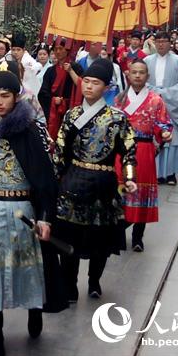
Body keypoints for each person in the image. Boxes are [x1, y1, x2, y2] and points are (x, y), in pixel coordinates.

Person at [0, 64, 65, 356]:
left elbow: (45, 180)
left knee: (26, 271)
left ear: (16, 97)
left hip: (22, 214)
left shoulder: (30, 131)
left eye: (4, 95)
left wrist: (45, 217)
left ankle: (35, 308)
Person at [53, 58, 137, 301]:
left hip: (104, 183)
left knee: (100, 238)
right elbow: (60, 151)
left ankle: (94, 281)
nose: (88, 87)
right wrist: (54, 180)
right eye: (86, 81)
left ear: (106, 87)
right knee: (68, 236)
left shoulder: (117, 118)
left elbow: (129, 151)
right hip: (74, 180)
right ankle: (69, 285)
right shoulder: (71, 116)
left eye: (95, 83)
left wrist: (129, 178)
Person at [115, 60, 173, 252]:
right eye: (134, 72)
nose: (138, 76)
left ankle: (138, 237)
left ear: (147, 76)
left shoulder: (156, 100)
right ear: (128, 75)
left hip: (145, 151)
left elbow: (163, 123)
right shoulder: (120, 100)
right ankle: (118, 234)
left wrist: (164, 132)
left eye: (141, 73)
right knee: (122, 191)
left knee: (141, 191)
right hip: (123, 150)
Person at [145, 32, 178, 186]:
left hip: (172, 107)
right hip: (152, 106)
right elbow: (142, 83)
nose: (161, 44)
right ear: (154, 43)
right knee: (154, 137)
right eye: (158, 41)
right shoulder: (147, 61)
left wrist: (162, 93)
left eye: (164, 41)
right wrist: (155, 94)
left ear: (170, 43)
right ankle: (156, 173)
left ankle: (171, 173)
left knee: (173, 140)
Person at [38, 38, 81, 139]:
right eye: (55, 49)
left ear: (67, 50)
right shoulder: (50, 71)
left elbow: (81, 86)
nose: (58, 52)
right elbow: (43, 93)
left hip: (71, 108)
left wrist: (70, 71)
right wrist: (53, 100)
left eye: (61, 49)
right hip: (54, 110)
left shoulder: (76, 68)